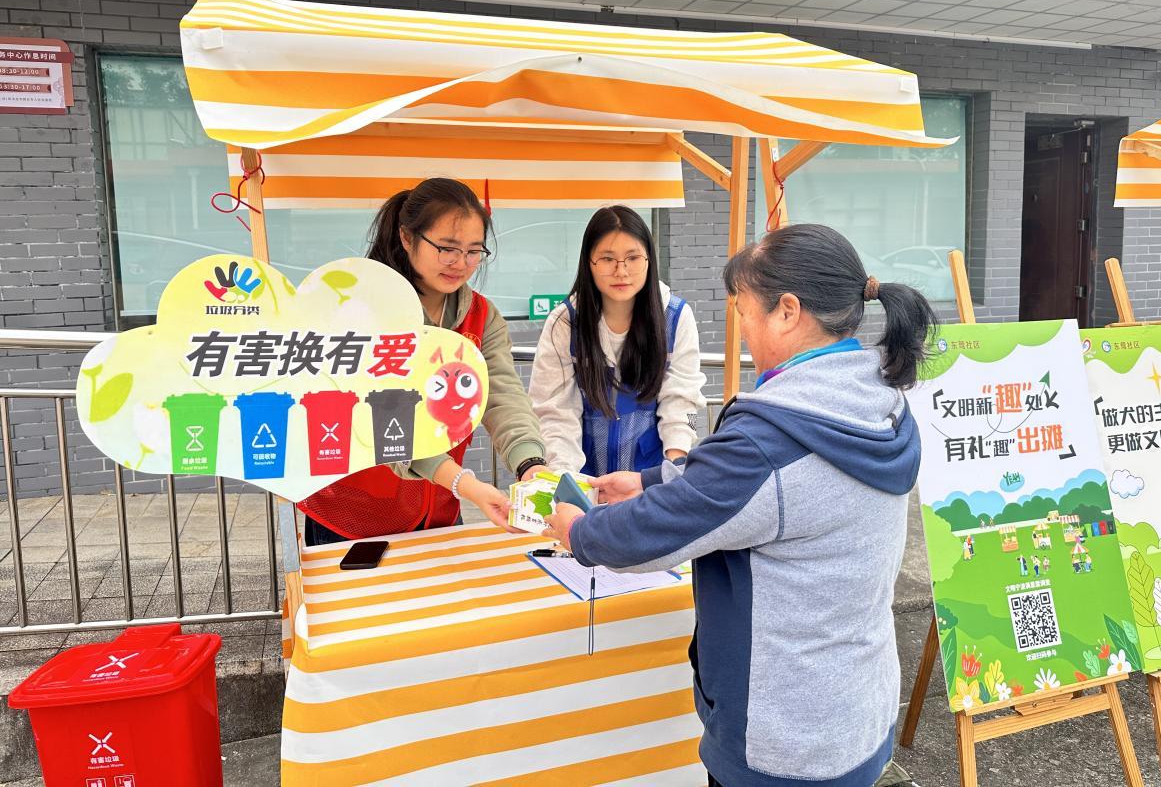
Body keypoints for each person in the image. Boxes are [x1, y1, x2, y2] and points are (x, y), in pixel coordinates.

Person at [544, 224, 936, 787]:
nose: (743, 329)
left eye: (744, 311)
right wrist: (653, 479)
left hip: (781, 739)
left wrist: (579, 530)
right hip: (856, 712)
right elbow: (754, 490)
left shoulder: (768, 439)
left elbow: (653, 533)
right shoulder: (877, 400)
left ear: (787, 312)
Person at [299, 178, 550, 545]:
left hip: (440, 508)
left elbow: (504, 396)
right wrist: (464, 483)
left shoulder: (481, 316)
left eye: (473, 251)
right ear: (407, 237)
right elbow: (384, 423)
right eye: (447, 248)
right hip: (353, 513)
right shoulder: (363, 309)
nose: (460, 263)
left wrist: (531, 464)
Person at [529, 205, 706, 476]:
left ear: (649, 260)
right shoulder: (565, 322)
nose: (621, 271)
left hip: (650, 478)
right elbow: (555, 413)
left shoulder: (675, 317)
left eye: (632, 258)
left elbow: (683, 401)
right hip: (583, 476)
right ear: (589, 263)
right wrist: (567, 481)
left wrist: (675, 466)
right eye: (607, 258)